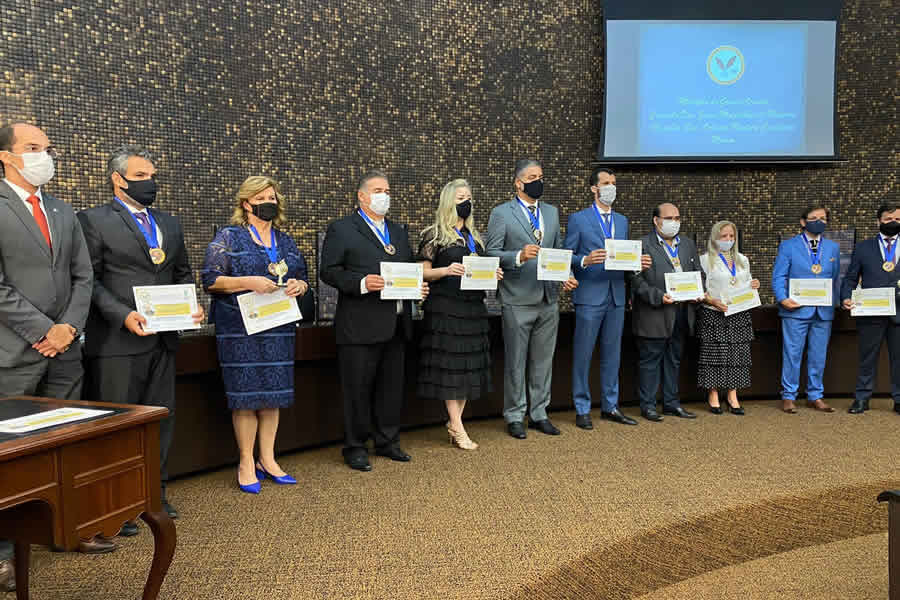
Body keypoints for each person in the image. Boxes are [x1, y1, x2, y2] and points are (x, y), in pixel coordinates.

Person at [78, 145, 204, 527]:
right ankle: (118, 504)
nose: (149, 182)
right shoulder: (93, 220)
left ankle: (154, 495)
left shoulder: (169, 223)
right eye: (140, 176)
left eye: (152, 176)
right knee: (118, 427)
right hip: (117, 342)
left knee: (159, 422)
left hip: (163, 340)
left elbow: (181, 273)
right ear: (117, 179)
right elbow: (90, 280)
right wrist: (123, 315)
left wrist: (190, 307)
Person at [0, 123, 94, 561]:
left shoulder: (62, 210)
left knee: (66, 442)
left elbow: (83, 276)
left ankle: (66, 529)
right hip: (14, 353)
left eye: (47, 148)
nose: (44, 156)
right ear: (6, 156)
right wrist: (44, 330)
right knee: (10, 453)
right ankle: (4, 552)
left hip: (66, 351)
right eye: (32, 148)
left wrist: (67, 329)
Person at [202, 176, 308, 492]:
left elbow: (303, 278)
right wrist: (248, 282)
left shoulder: (285, 241)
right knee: (246, 398)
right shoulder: (229, 237)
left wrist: (300, 286)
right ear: (246, 203)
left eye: (272, 197)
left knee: (273, 396)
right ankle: (246, 461)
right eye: (260, 198)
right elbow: (211, 280)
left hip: (278, 328)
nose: (267, 203)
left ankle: (268, 459)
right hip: (240, 331)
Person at [320, 170, 428, 471]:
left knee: (390, 388)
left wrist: (417, 288)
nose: (385, 196)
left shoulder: (398, 231)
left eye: (388, 191)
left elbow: (408, 269)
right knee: (357, 389)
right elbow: (329, 271)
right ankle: (355, 446)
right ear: (362, 196)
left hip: (396, 322)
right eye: (378, 190)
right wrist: (362, 283)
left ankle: (387, 440)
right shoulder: (342, 229)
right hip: (359, 323)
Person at [485, 159, 578, 439]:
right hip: (517, 298)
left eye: (541, 176)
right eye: (532, 177)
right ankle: (515, 415)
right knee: (516, 362)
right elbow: (491, 253)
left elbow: (558, 251)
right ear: (518, 183)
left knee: (542, 362)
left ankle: (539, 413)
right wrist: (518, 256)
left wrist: (566, 274)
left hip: (548, 298)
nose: (538, 181)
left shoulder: (551, 212)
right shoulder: (502, 213)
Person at [418, 179, 503, 450]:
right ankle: (457, 425)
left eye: (468, 197)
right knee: (450, 367)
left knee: (468, 366)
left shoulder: (475, 237)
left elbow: (480, 271)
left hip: (473, 309)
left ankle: (455, 422)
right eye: (460, 198)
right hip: (446, 309)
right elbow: (422, 272)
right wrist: (446, 270)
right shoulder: (434, 235)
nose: (466, 202)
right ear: (448, 202)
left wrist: (493, 273)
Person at [564, 167, 651, 429]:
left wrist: (637, 264)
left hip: (616, 295)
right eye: (605, 183)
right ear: (594, 188)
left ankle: (610, 406)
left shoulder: (622, 221)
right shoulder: (578, 219)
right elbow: (567, 255)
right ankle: (582, 408)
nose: (611, 187)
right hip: (589, 294)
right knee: (583, 354)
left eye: (613, 182)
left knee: (613, 355)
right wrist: (585, 260)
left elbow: (623, 257)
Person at [630, 203, 702, 422]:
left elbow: (699, 273)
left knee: (674, 359)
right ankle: (648, 405)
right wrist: (658, 296)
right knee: (650, 361)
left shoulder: (688, 244)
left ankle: (671, 403)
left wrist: (698, 292)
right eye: (669, 218)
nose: (674, 222)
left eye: (677, 218)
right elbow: (634, 280)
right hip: (654, 312)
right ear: (656, 220)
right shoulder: (642, 245)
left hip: (681, 312)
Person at [772, 205, 841, 413]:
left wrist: (839, 301)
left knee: (818, 355)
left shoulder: (833, 248)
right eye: (814, 218)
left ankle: (815, 395)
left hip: (823, 311)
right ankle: (788, 396)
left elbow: (835, 278)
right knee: (792, 354)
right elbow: (779, 276)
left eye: (823, 218)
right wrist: (782, 298)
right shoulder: (788, 246)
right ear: (803, 222)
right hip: (795, 309)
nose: (819, 221)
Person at [840, 203, 900, 414]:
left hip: (899, 312)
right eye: (888, 219)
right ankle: (862, 398)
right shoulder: (863, 248)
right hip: (871, 312)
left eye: (898, 219)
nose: (893, 223)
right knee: (867, 358)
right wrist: (846, 297)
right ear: (878, 221)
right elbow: (850, 278)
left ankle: (899, 399)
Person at [697, 221, 760, 415]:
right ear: (715, 238)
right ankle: (713, 394)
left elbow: (747, 283)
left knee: (737, 356)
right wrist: (712, 301)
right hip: (714, 313)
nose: (728, 240)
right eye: (724, 236)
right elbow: (699, 290)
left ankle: (732, 395)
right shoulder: (705, 260)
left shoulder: (742, 259)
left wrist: (754, 284)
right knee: (713, 355)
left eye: (731, 236)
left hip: (739, 314)